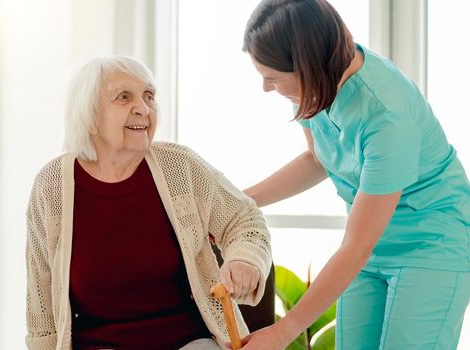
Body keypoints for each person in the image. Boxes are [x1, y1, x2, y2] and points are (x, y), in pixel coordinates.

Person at [238, 0, 470, 349]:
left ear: (306, 65)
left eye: (271, 78)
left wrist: (282, 333)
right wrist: (240, 201)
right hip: (369, 245)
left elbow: (356, 246)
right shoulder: (313, 88)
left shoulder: (387, 115)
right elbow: (317, 159)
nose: (266, 88)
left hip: (432, 244)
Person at [25, 56, 272, 350]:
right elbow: (41, 295)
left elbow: (244, 219)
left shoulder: (179, 165)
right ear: (89, 117)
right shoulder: (51, 186)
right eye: (123, 97)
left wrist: (245, 258)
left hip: (187, 341)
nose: (143, 108)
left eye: (149, 96)